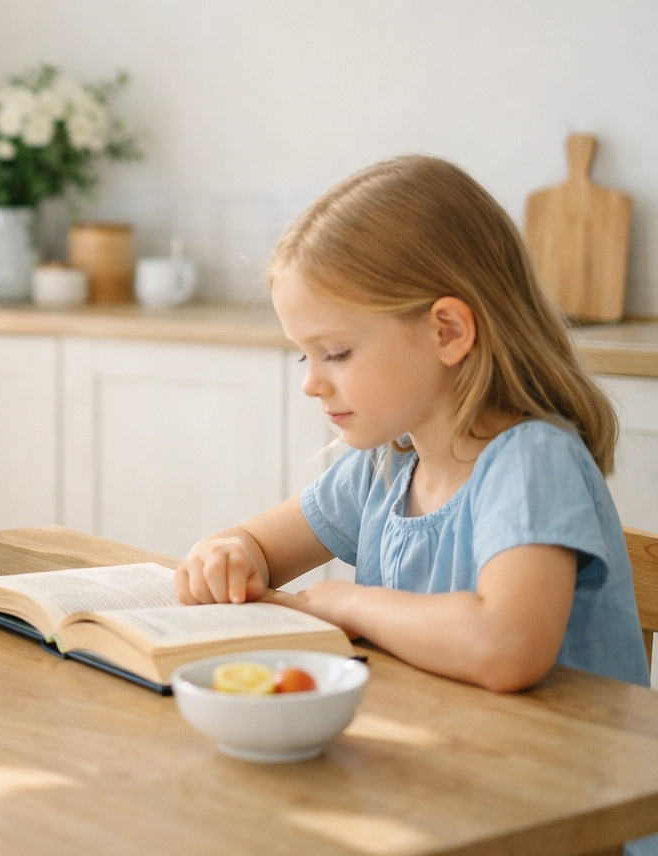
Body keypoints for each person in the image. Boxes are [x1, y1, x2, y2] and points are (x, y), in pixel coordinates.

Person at [174, 155, 649, 694]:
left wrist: (347, 604)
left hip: (561, 750)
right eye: (305, 355)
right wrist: (227, 554)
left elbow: (506, 648)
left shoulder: (533, 464)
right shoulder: (387, 464)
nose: (311, 383)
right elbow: (258, 545)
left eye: (336, 352)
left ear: (448, 333)